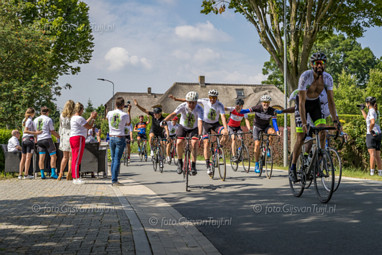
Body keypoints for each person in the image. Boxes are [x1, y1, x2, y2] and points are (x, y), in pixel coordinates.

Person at [289, 52, 340, 182]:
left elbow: (331, 101)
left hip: (315, 104)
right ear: (312, 65)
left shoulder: (328, 78)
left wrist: (335, 121)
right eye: (316, 63)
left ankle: (318, 163)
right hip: (303, 104)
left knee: (323, 131)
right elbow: (300, 102)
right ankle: (293, 168)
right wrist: (305, 123)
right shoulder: (305, 76)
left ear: (324, 65)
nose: (319, 66)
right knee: (300, 138)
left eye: (321, 63)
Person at [169, 89, 228, 176]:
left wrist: (226, 129)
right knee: (206, 142)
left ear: (217, 97)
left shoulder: (220, 105)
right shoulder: (204, 101)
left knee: (225, 134)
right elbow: (189, 100)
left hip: (215, 124)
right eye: (211, 97)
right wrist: (176, 99)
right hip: (205, 124)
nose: (212, 99)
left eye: (214, 97)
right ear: (208, 97)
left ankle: (218, 150)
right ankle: (208, 165)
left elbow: (223, 117)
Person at [163, 91, 203, 175]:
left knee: (194, 142)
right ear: (186, 101)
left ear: (196, 102)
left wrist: (200, 134)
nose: (191, 104)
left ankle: (193, 165)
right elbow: (173, 114)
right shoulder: (182, 106)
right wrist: (164, 121)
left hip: (194, 128)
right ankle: (180, 163)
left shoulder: (199, 109)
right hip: (183, 127)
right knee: (179, 142)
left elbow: (200, 122)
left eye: (193, 103)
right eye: (189, 102)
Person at [248, 95, 280, 173]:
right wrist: (237, 111)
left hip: (266, 126)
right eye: (264, 102)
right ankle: (256, 164)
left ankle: (268, 147)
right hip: (257, 127)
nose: (266, 104)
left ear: (269, 103)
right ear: (262, 103)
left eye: (267, 102)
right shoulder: (257, 108)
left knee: (272, 132)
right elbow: (246, 110)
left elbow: (274, 122)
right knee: (257, 144)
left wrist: (277, 131)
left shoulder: (272, 111)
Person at [70, 102, 97, 184]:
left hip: (73, 137)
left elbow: (84, 123)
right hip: (79, 138)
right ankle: (76, 178)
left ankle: (74, 176)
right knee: (77, 158)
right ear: (81, 110)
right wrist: (93, 119)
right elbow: (89, 126)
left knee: (74, 158)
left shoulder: (73, 118)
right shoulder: (79, 118)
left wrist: (90, 117)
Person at [107, 97, 131, 186]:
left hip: (111, 137)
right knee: (117, 159)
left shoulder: (109, 113)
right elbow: (128, 123)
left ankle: (113, 178)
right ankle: (114, 180)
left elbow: (108, 119)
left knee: (113, 158)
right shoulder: (125, 114)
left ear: (116, 104)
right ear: (122, 105)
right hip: (120, 137)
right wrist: (129, 111)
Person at [34, 106, 60, 179]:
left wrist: (36, 138)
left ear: (40, 112)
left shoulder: (35, 119)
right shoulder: (48, 119)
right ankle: (53, 173)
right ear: (47, 112)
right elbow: (52, 131)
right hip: (47, 139)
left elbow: (35, 131)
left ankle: (42, 174)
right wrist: (59, 136)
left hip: (39, 140)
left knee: (41, 158)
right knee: (53, 156)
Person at [360, 97, 382, 176]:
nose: (366, 104)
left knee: (372, 154)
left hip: (371, 134)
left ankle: (372, 172)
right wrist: (362, 110)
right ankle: (380, 173)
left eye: (366, 103)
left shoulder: (371, 111)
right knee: (377, 155)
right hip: (378, 133)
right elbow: (367, 119)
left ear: (368, 103)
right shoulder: (376, 111)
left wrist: (370, 129)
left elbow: (372, 122)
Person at [225, 99, 251, 164]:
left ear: (242, 106)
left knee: (241, 138)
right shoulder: (232, 109)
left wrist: (249, 129)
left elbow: (246, 120)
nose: (239, 107)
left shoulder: (244, 112)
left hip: (237, 127)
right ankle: (234, 156)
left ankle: (239, 150)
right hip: (230, 127)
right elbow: (225, 108)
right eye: (238, 105)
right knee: (233, 139)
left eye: (240, 106)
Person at [19, 108, 41, 179]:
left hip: (24, 139)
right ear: (32, 113)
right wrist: (36, 133)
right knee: (28, 158)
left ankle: (20, 174)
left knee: (23, 158)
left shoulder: (24, 120)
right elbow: (26, 131)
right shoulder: (29, 120)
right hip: (29, 140)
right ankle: (26, 174)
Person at [58, 100, 75, 181]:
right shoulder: (73, 116)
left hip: (64, 134)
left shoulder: (62, 115)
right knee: (71, 157)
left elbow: (60, 126)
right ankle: (69, 173)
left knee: (64, 156)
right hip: (71, 134)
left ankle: (61, 173)